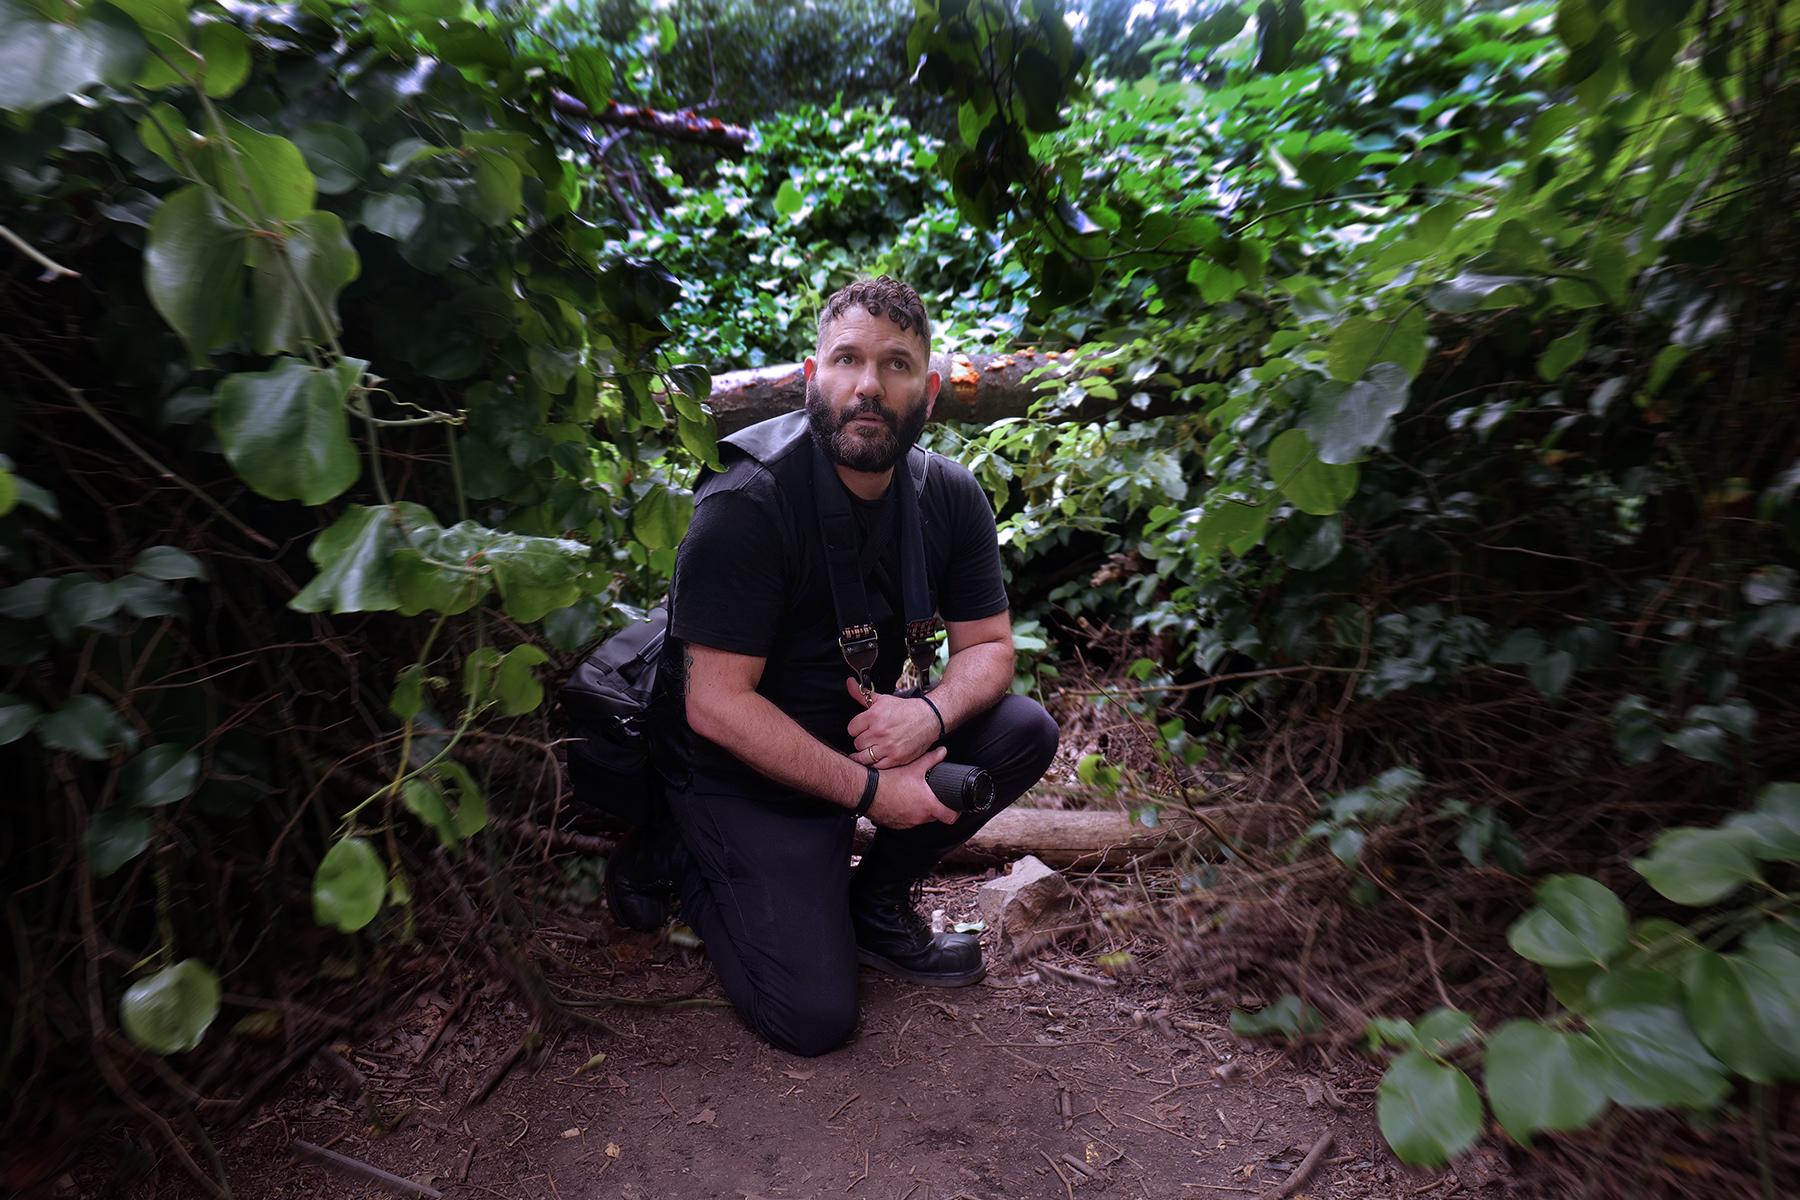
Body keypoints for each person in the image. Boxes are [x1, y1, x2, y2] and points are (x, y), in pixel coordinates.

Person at [608, 276, 1060, 1057]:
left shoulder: (949, 495)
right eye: (847, 360)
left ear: (930, 390)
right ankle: (677, 849)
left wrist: (930, 713)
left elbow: (989, 648)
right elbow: (715, 705)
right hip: (741, 769)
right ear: (813, 379)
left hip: (859, 739)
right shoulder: (747, 502)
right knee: (812, 1020)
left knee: (1022, 729)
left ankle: (875, 907)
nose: (869, 387)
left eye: (896, 365)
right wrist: (874, 795)